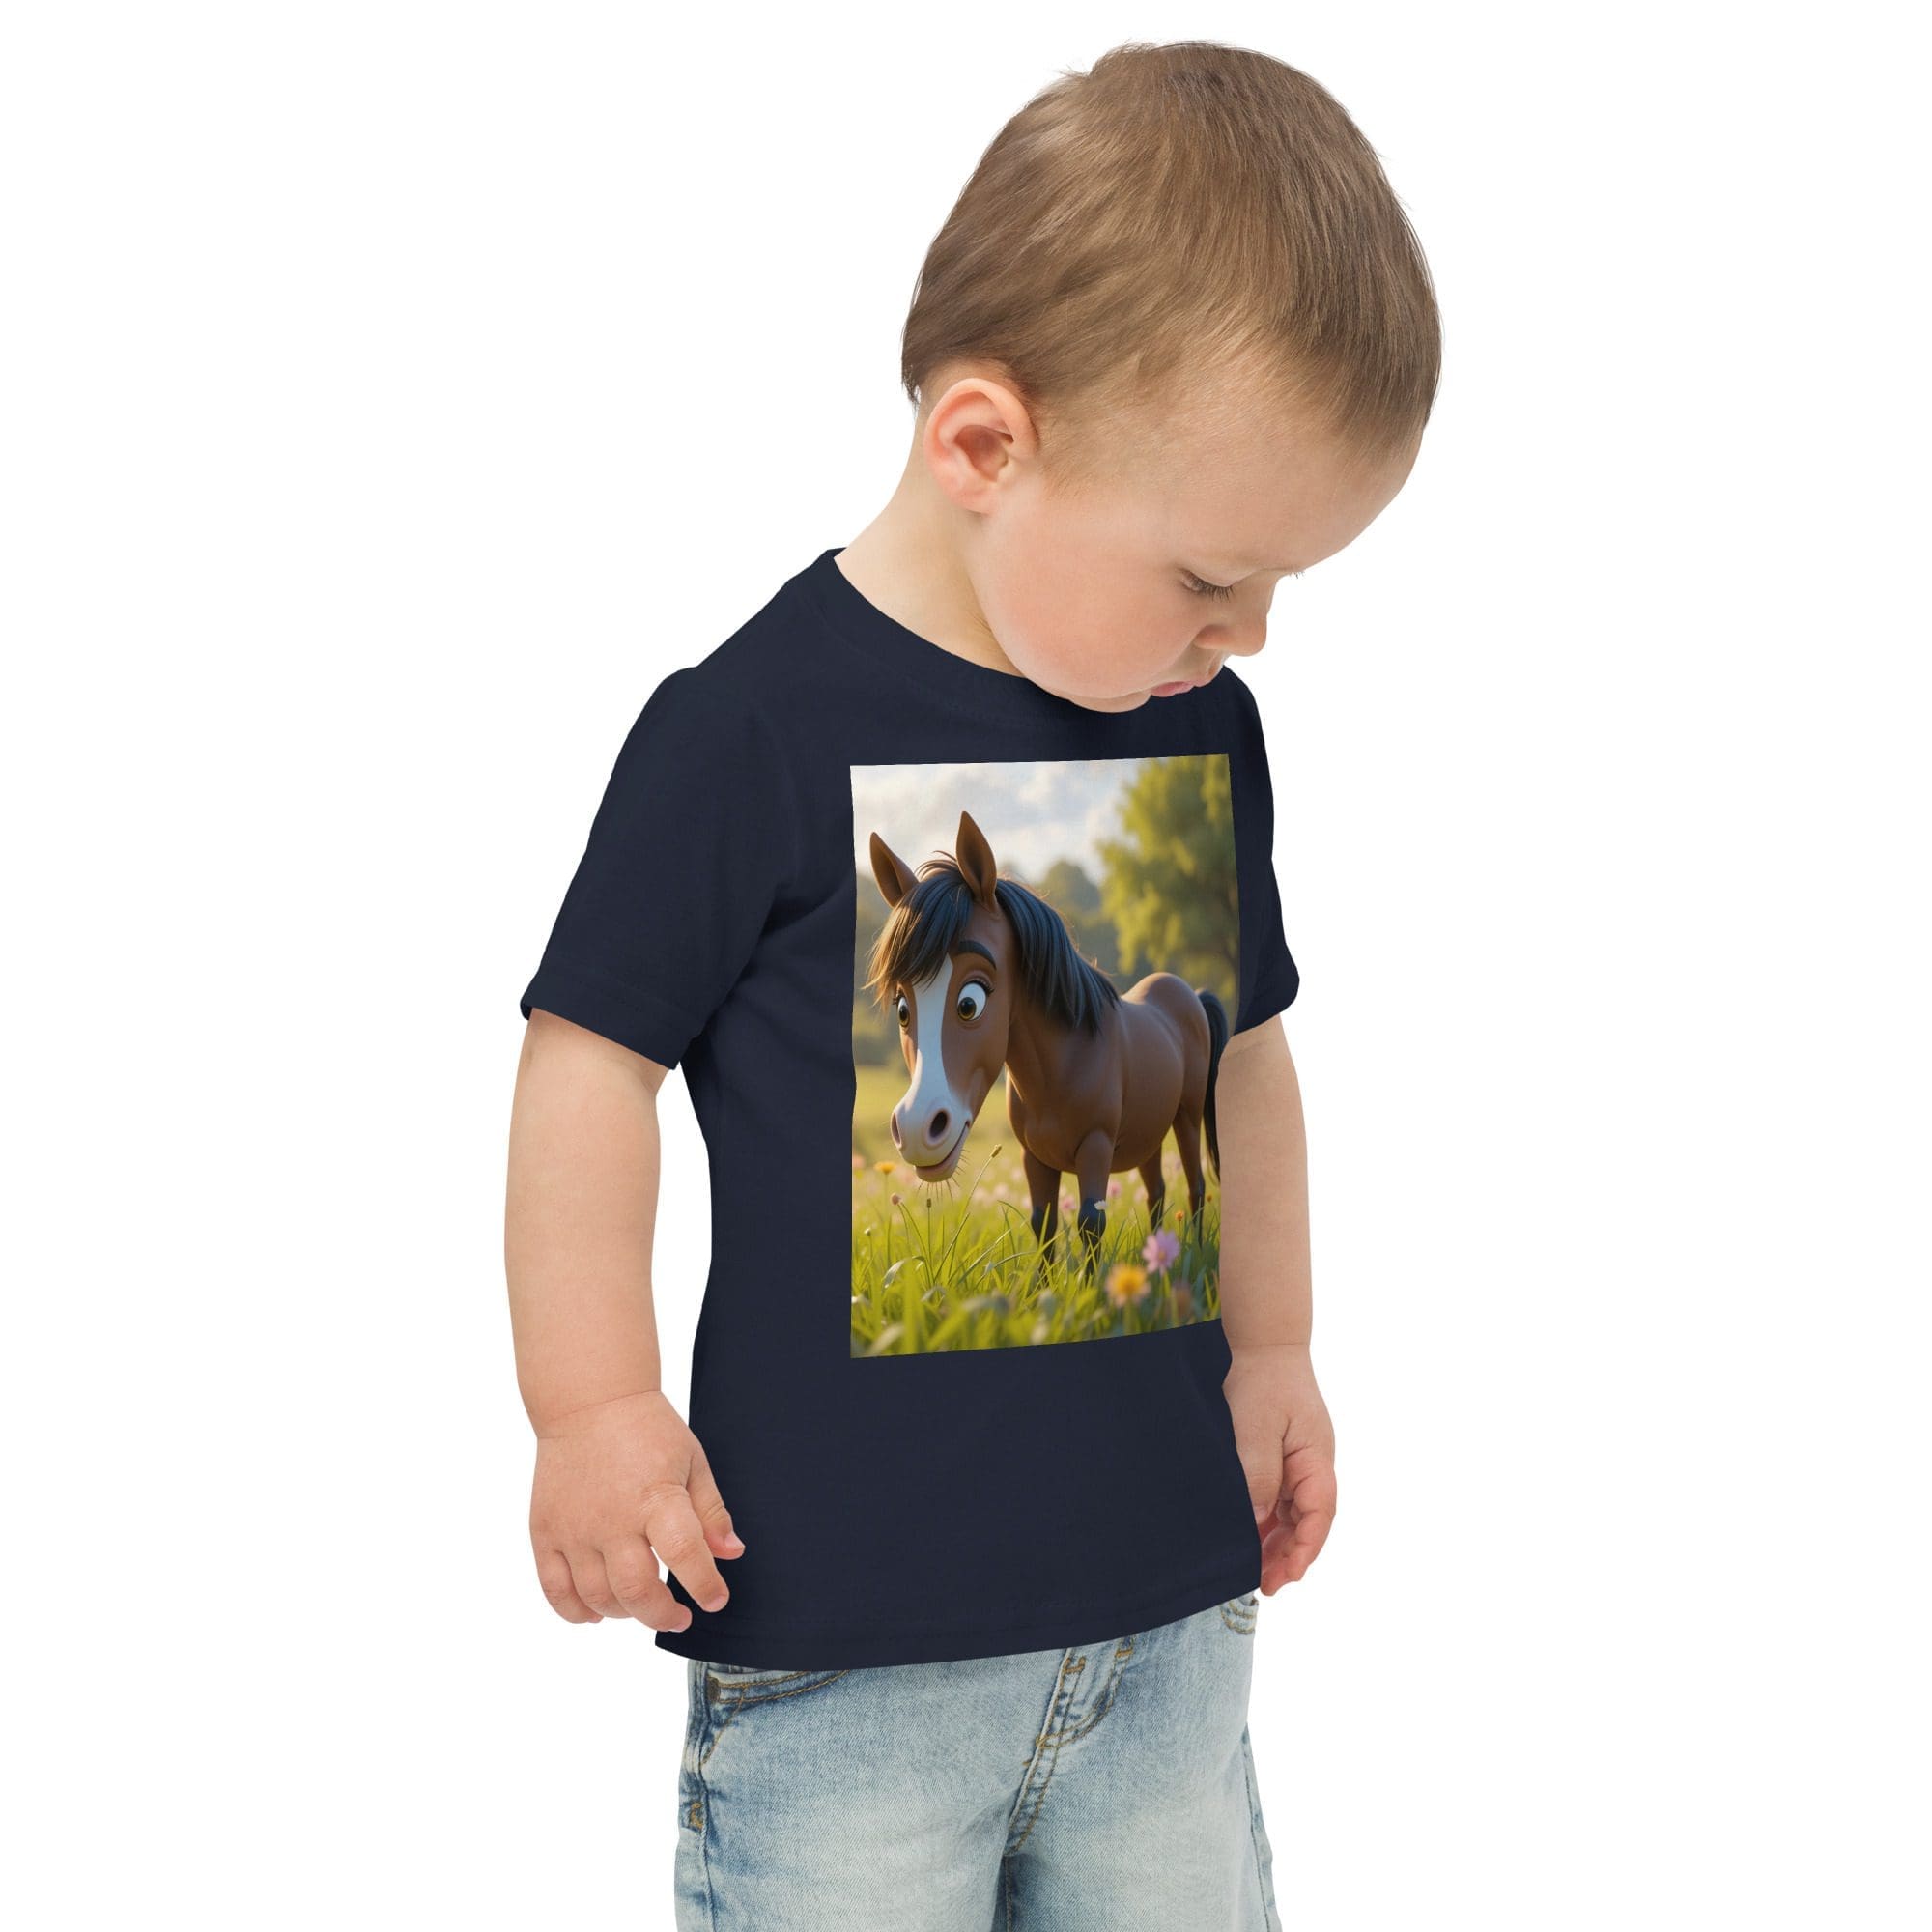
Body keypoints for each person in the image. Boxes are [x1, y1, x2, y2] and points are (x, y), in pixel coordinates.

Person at [505, 39, 1436, 1930]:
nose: (1249, 635)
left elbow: (1244, 1058)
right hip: (848, 1657)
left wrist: (1273, 1346)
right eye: (1209, 576)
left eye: (1278, 590)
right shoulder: (746, 731)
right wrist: (591, 1408)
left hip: (1168, 1631)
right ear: (986, 447)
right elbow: (587, 1058)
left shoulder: (1196, 721)